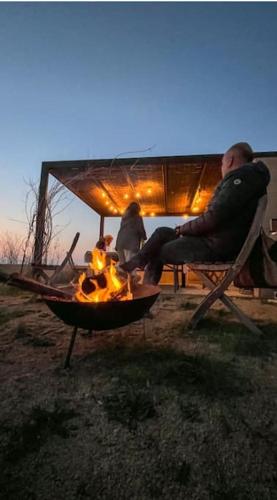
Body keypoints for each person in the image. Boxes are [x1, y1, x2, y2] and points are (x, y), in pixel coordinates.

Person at [120, 142, 270, 285]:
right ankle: (136, 262)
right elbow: (217, 218)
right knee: (162, 232)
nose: (222, 167)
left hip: (215, 248)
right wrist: (183, 230)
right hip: (215, 241)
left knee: (156, 251)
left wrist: (182, 229)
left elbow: (213, 218)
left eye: (222, 163)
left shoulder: (239, 179)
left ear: (230, 160)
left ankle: (145, 290)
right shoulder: (249, 179)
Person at [115, 201, 147, 274]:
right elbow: (140, 229)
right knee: (131, 268)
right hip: (131, 244)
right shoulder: (138, 217)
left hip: (120, 243)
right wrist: (144, 238)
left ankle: (120, 282)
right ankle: (130, 284)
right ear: (138, 209)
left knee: (122, 265)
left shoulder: (124, 216)